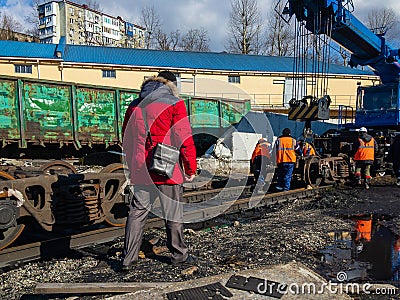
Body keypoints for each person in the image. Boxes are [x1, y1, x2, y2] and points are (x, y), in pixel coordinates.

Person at [121, 71, 197, 271]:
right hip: (167, 169)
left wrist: (132, 165)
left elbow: (126, 139)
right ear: (171, 85)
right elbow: (184, 138)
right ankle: (179, 255)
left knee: (137, 214)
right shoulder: (175, 104)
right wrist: (190, 167)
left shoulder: (134, 105)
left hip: (141, 170)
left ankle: (129, 259)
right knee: (172, 214)